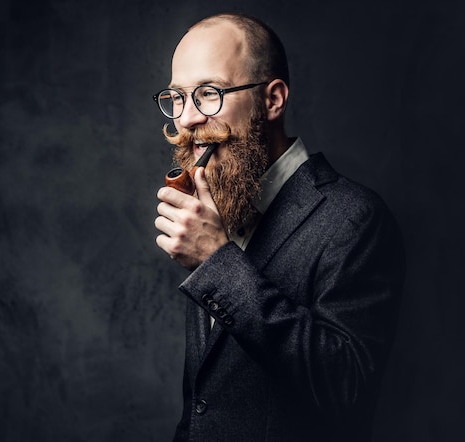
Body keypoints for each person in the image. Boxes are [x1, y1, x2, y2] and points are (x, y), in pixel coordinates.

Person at [153, 13, 405, 442]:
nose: (188, 118)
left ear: (273, 100)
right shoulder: (220, 206)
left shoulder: (354, 217)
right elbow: (205, 403)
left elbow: (347, 389)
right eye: (177, 98)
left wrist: (217, 262)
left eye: (209, 93)